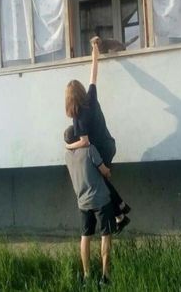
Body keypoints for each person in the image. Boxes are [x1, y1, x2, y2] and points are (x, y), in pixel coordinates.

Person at [65, 42, 130, 231]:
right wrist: (94, 50)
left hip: (99, 150)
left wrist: (69, 147)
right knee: (102, 181)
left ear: (69, 99)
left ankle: (119, 214)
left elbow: (84, 142)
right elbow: (93, 75)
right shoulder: (91, 96)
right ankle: (121, 211)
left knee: (100, 183)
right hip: (109, 144)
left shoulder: (78, 116)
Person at [64, 125, 116, 286]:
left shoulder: (67, 156)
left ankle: (87, 276)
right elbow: (104, 171)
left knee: (85, 237)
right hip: (101, 200)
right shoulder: (90, 149)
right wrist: (108, 171)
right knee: (105, 235)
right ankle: (105, 277)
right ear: (79, 137)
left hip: (83, 202)